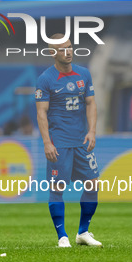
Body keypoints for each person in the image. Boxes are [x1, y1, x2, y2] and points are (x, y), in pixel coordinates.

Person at [35, 34, 101, 248]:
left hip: (82, 141)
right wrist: (47, 142)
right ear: (52, 52)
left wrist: (92, 131)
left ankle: (83, 232)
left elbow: (91, 104)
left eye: (70, 47)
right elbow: (41, 113)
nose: (68, 51)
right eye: (63, 48)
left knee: (92, 184)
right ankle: (62, 236)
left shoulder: (84, 74)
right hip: (59, 142)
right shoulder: (46, 79)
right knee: (58, 186)